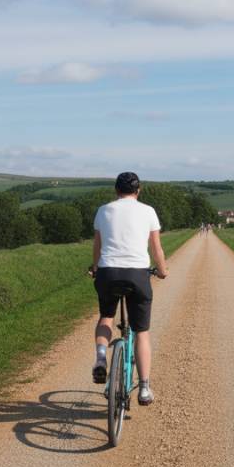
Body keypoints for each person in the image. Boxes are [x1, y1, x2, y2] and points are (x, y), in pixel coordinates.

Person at [89, 172, 169, 405]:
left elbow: (98, 245)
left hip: (108, 273)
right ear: (138, 190)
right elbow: (156, 249)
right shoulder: (148, 211)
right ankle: (144, 388)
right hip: (137, 275)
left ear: (116, 190)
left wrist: (95, 268)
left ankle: (102, 359)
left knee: (106, 317)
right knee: (141, 331)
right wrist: (162, 271)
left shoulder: (103, 210)